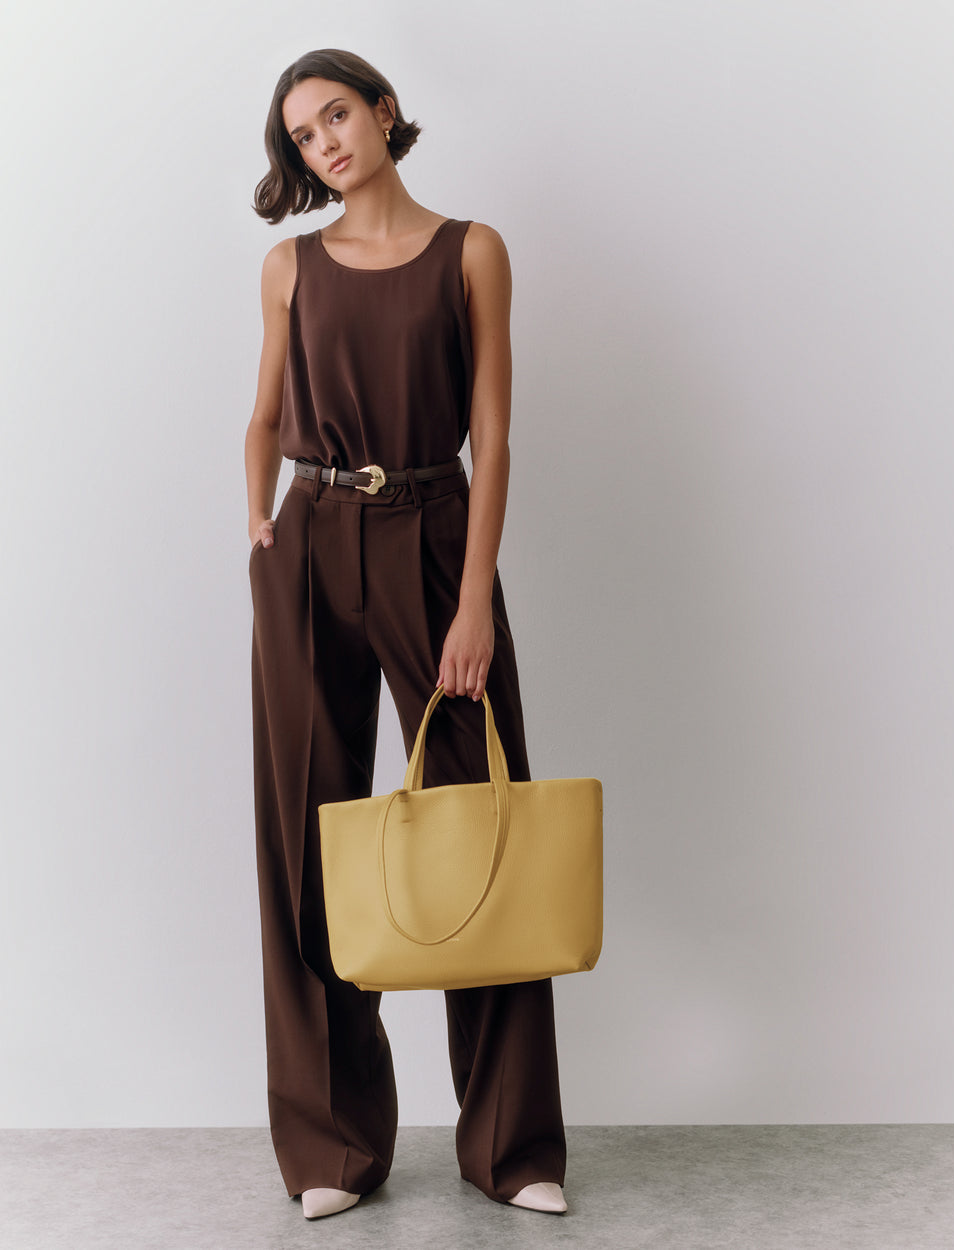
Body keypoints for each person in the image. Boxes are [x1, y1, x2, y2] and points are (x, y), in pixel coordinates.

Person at [244, 48, 568, 1221]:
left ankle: (513, 1144)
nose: (325, 141)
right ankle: (333, 1147)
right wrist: (257, 520)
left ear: (383, 112)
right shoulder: (286, 267)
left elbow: (495, 437)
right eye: (303, 134)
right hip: (310, 536)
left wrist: (474, 594)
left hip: (436, 533)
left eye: (337, 113)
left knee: (480, 822)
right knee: (306, 832)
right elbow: (264, 411)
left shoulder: (470, 250)